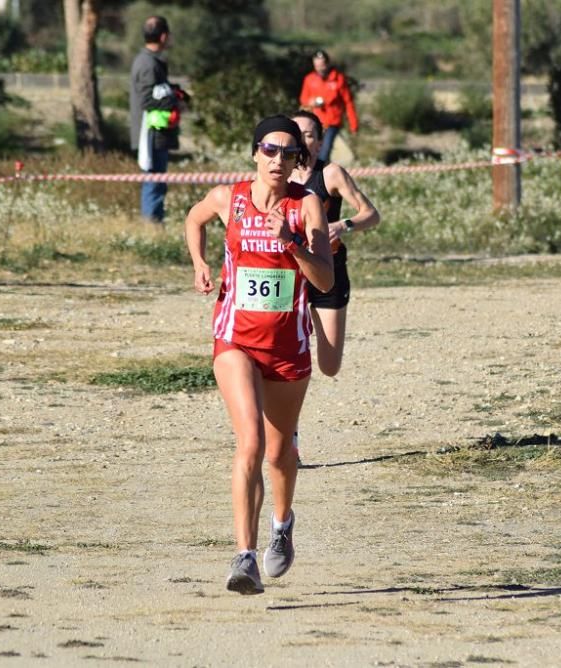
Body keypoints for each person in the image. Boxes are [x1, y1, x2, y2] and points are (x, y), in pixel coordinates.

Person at [184, 115, 333, 595]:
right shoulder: (230, 198)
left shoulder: (306, 206)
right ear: (255, 153)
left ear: (298, 162)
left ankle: (283, 523)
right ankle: (244, 556)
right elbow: (194, 217)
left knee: (278, 451)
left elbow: (324, 281)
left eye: (289, 154)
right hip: (235, 339)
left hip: (288, 347)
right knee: (248, 441)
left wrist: (291, 244)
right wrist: (200, 262)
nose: (278, 159)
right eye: (270, 150)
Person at [290, 109, 380, 376]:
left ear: (319, 142)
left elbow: (371, 215)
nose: (302, 140)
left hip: (328, 269)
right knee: (281, 355)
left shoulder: (330, 174)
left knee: (329, 366)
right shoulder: (277, 175)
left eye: (309, 135)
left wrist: (342, 225)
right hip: (289, 272)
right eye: (296, 134)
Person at [129, 15, 185, 224]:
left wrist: (174, 92)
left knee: (157, 180)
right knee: (154, 180)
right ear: (163, 36)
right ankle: (151, 225)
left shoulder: (151, 62)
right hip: (151, 132)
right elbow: (147, 100)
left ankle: (154, 221)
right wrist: (174, 102)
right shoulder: (148, 64)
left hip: (156, 131)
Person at [299, 50, 358, 162]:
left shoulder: (338, 79)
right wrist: (311, 102)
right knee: (311, 152)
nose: (320, 68)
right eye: (317, 66)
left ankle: (321, 176)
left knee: (324, 154)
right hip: (314, 122)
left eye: (322, 65)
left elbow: (348, 102)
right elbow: (303, 99)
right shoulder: (309, 79)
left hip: (332, 122)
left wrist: (353, 124)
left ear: (328, 63)